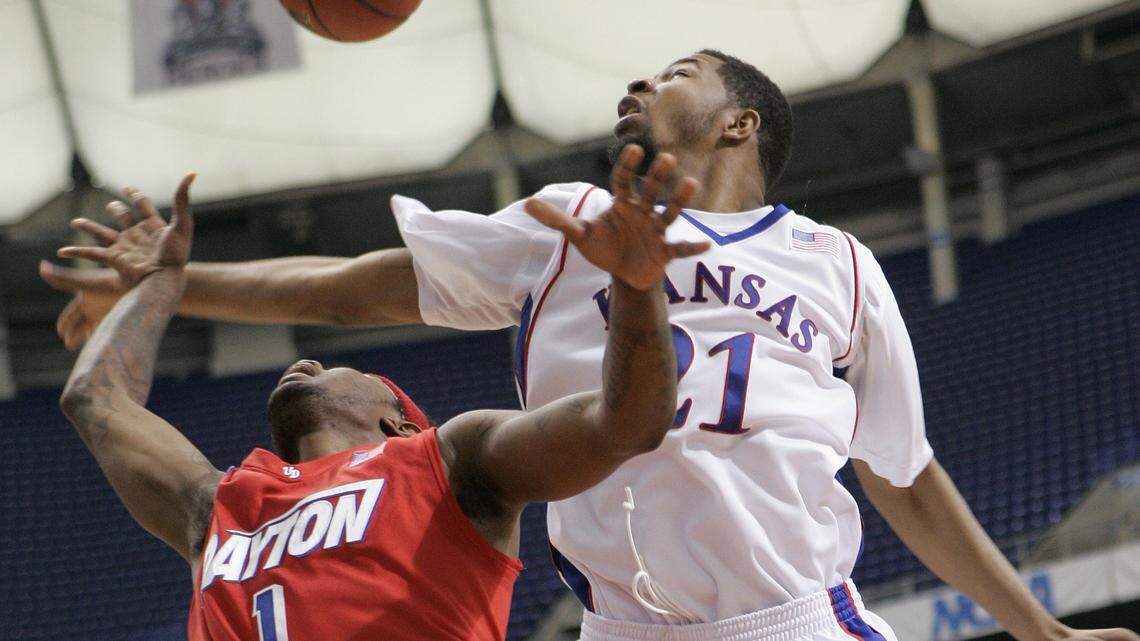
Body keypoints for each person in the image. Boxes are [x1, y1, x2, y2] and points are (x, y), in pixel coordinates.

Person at [43, 50, 1138, 641]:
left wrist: (1040, 631)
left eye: (667, 74)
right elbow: (342, 294)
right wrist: (173, 283)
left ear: (739, 121)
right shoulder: (561, 219)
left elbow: (905, 472)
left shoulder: (841, 262)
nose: (633, 88)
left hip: (786, 615)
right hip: (619, 624)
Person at [57, 164, 708, 640]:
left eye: (344, 364)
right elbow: (93, 397)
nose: (306, 360)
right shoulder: (221, 506)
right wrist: (157, 285)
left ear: (398, 422)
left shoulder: (452, 461)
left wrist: (637, 285)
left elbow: (626, 423)